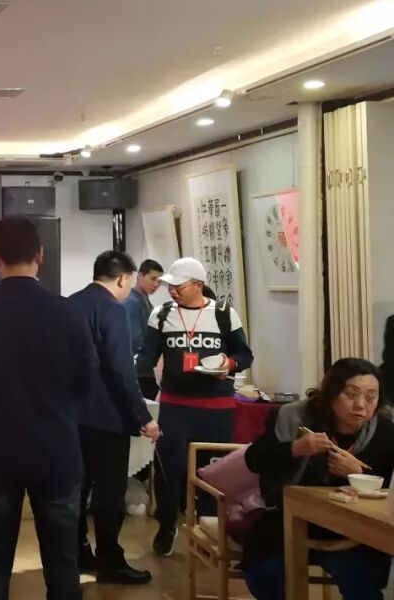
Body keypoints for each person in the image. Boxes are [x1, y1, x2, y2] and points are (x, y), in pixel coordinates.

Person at [0, 218, 97, 600]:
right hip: (56, 449)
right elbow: (87, 383)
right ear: (40, 255)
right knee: (63, 564)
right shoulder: (69, 312)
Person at [242, 358, 393, 600]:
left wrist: (359, 474)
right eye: (351, 394)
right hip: (286, 519)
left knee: (363, 587)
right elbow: (253, 459)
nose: (360, 405)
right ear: (331, 393)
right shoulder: (295, 415)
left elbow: (388, 487)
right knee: (264, 575)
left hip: (349, 529)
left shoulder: (384, 431)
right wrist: (295, 448)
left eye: (371, 397)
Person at [136, 257, 253, 557]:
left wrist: (228, 363)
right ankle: (166, 526)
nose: (172, 291)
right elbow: (146, 358)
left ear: (199, 285)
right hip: (175, 407)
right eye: (170, 286)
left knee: (213, 473)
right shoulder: (162, 315)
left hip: (217, 408)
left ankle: (209, 531)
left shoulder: (224, 314)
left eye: (179, 286)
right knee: (168, 470)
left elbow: (244, 355)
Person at [70, 251, 159, 585]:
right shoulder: (113, 309)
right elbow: (122, 370)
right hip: (107, 417)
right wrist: (143, 416)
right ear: (122, 278)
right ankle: (110, 561)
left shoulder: (70, 304)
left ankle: (77, 554)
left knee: (76, 491)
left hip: (71, 415)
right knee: (109, 494)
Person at [123, 259, 163, 400]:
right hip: (139, 370)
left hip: (145, 369)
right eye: (153, 279)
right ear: (140, 275)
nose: (156, 284)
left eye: (159, 281)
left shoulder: (143, 299)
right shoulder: (132, 301)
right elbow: (135, 340)